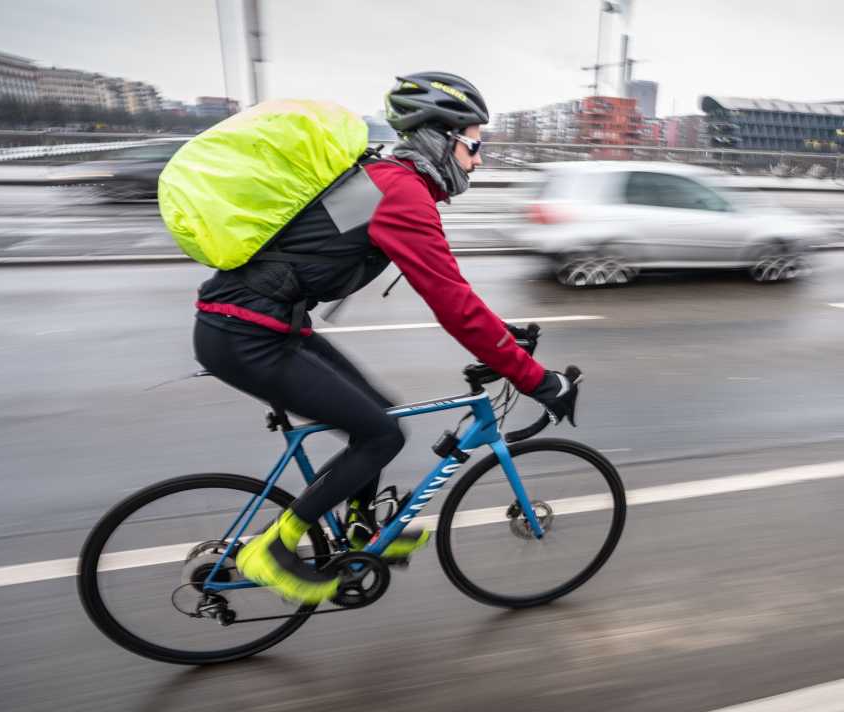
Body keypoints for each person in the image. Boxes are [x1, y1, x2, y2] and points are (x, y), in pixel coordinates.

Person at [192, 72, 580, 604]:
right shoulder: (400, 194)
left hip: (260, 324)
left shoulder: (384, 179)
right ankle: (273, 549)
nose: (479, 159)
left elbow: (451, 294)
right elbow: (453, 305)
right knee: (381, 435)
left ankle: (359, 533)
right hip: (246, 335)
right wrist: (536, 379)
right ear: (441, 137)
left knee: (380, 414)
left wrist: (502, 337)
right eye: (474, 144)